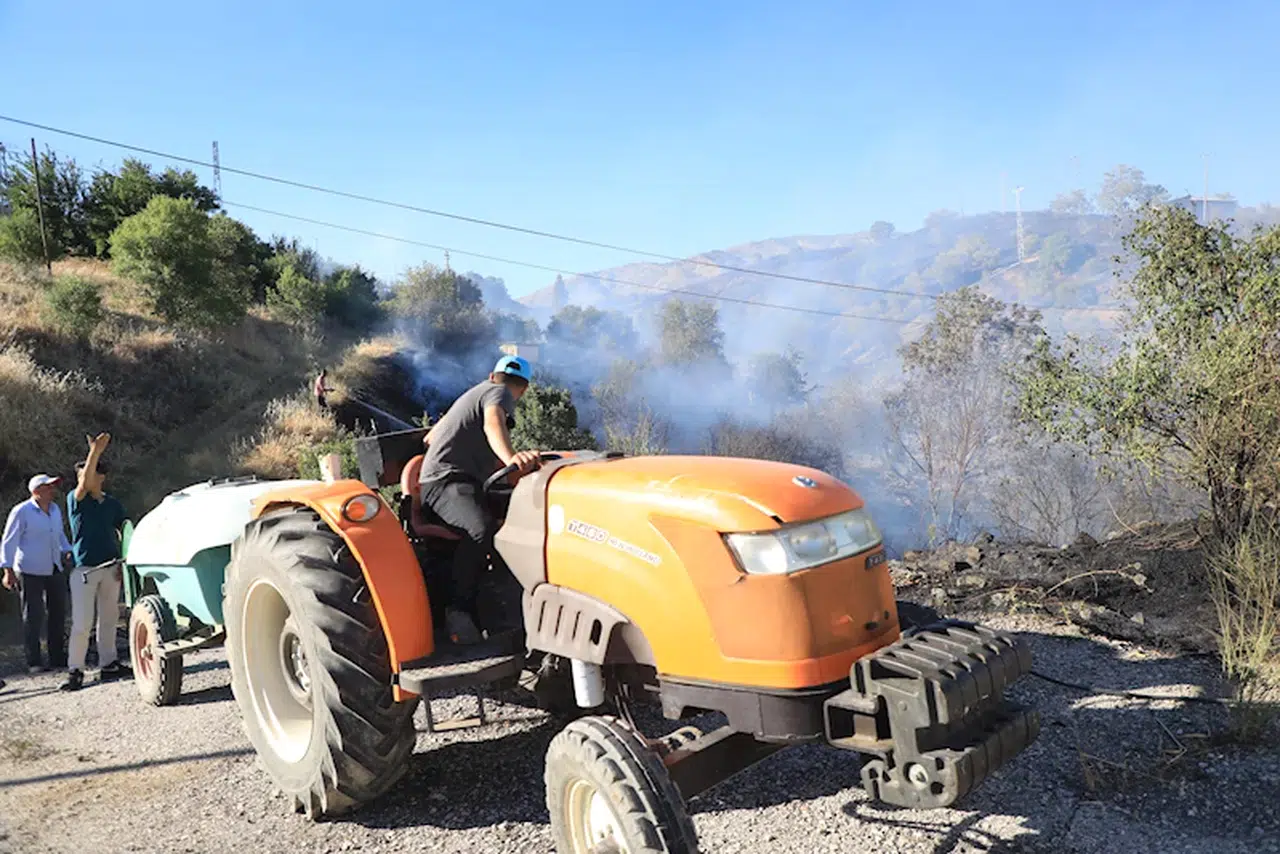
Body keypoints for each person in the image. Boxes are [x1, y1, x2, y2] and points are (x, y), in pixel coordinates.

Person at [418, 355, 541, 644]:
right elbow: (492, 424)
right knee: (481, 528)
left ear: (492, 373)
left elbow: (429, 438)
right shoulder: (497, 394)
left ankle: (499, 606)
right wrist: (512, 458)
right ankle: (458, 611)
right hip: (446, 482)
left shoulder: (475, 393)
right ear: (523, 390)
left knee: (509, 515)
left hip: (449, 483)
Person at [63, 433, 131, 692]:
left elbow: (125, 532)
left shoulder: (111, 504)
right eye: (83, 474)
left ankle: (109, 663)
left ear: (101, 477)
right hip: (85, 569)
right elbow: (83, 483)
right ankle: (75, 670)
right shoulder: (76, 500)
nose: (85, 479)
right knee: (82, 622)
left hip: (110, 567)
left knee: (109, 617)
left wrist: (123, 564)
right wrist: (95, 451)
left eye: (90, 473)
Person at [1, 474, 74, 674]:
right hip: (29, 570)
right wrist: (8, 571)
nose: (53, 490)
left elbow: (59, 535)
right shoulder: (21, 511)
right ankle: (34, 661)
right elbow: (9, 541)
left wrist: (67, 549)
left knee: (58, 613)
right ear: (36, 491)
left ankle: (57, 657)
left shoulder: (55, 510)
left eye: (53, 487)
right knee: (33, 615)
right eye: (49, 487)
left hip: (53, 567)